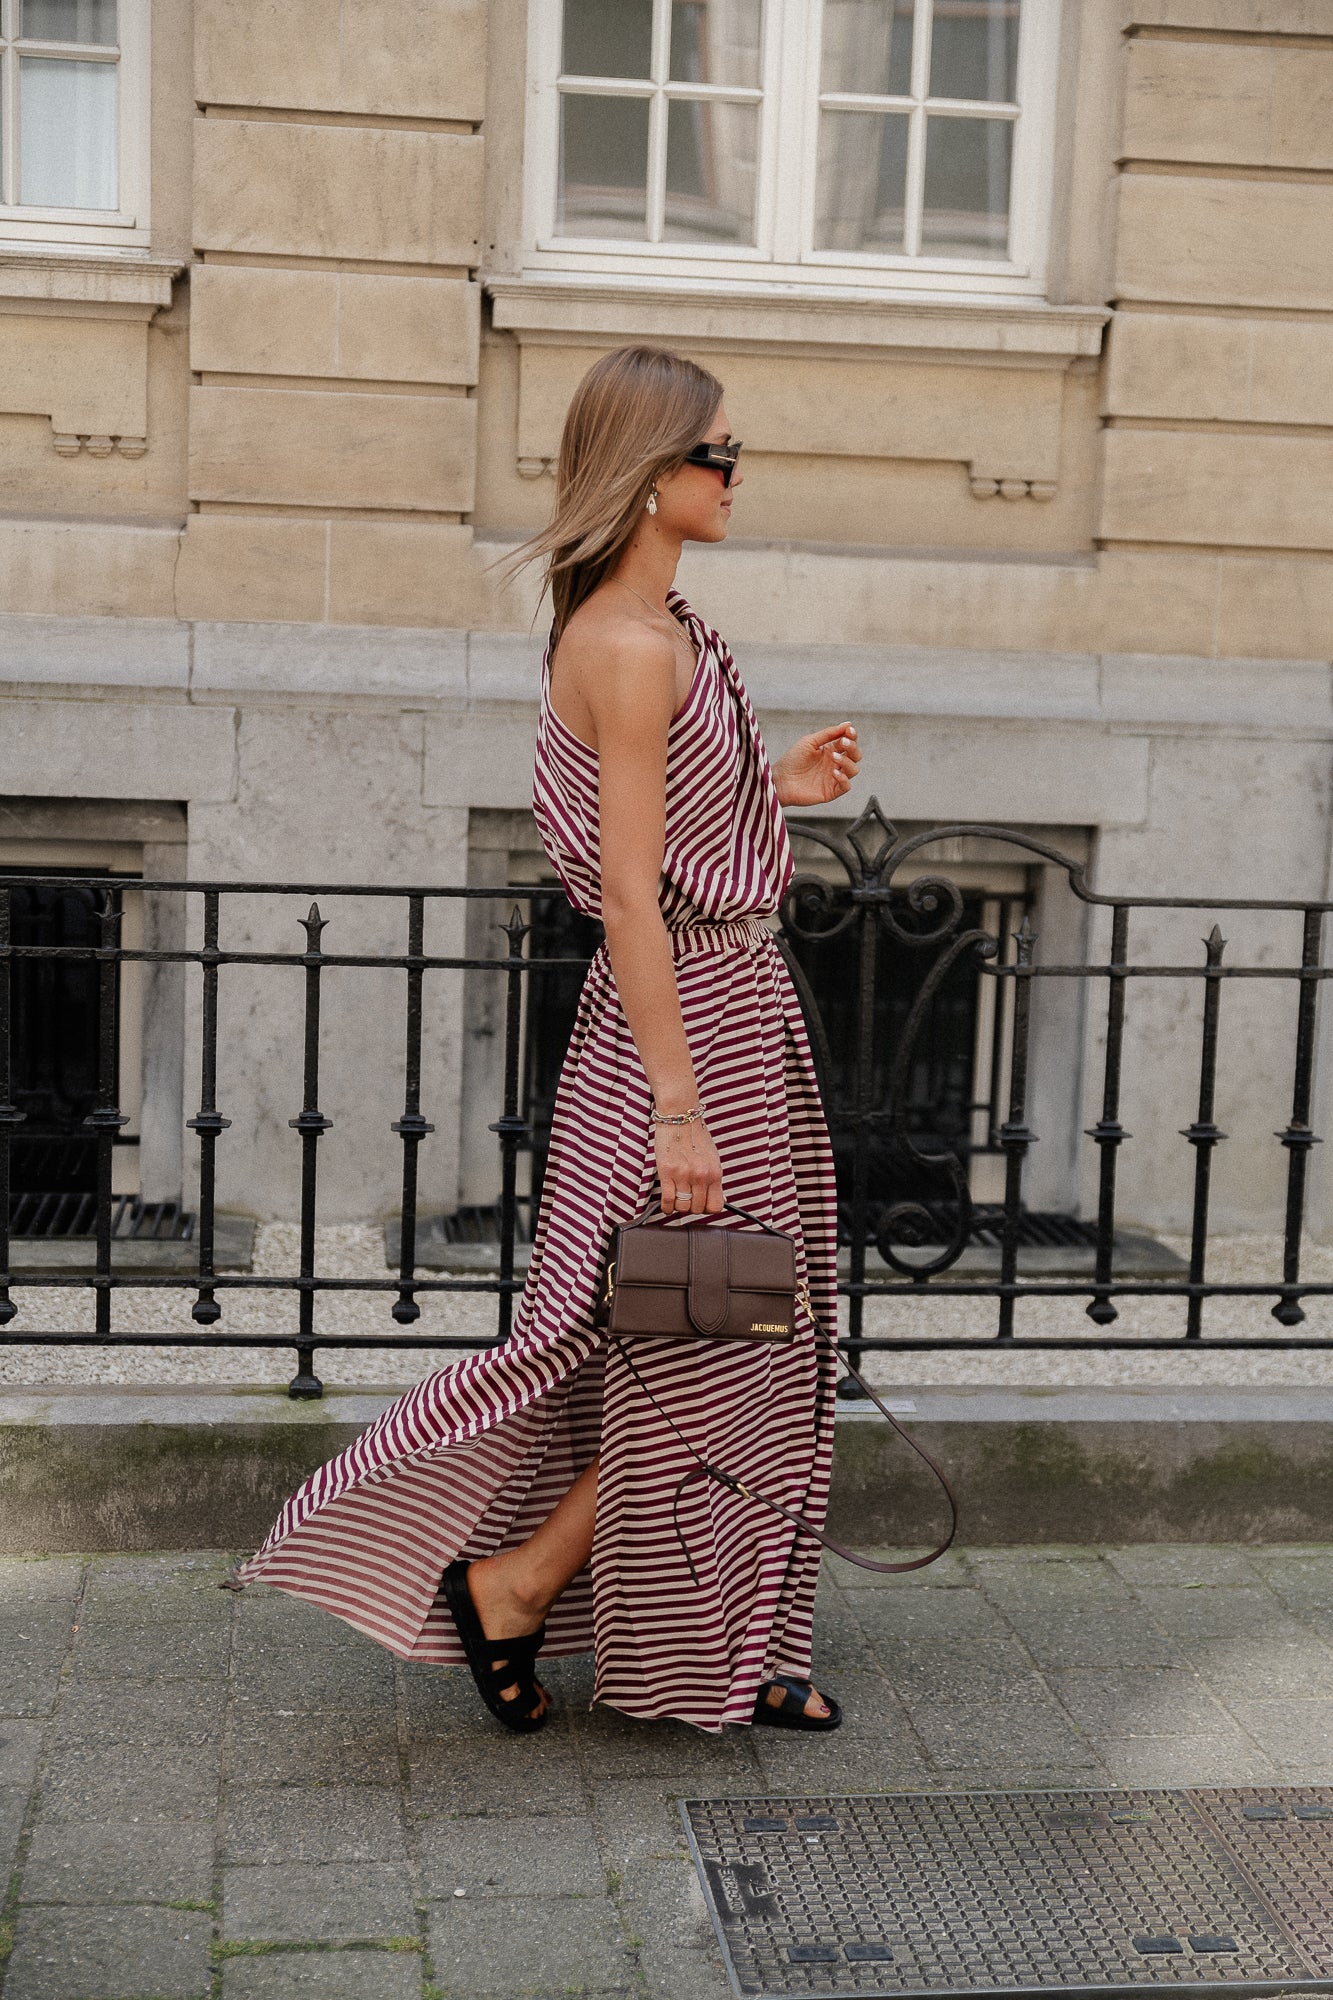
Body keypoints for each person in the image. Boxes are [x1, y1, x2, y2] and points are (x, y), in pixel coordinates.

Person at [232, 344, 861, 1736]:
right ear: (646, 478)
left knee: (732, 1331)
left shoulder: (665, 633)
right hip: (687, 1021)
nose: (733, 473)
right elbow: (628, 891)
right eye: (714, 454)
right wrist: (678, 1109)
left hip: (733, 1008)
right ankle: (514, 1584)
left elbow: (649, 818)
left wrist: (772, 786)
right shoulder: (627, 645)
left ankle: (703, 1631)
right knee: (690, 1332)